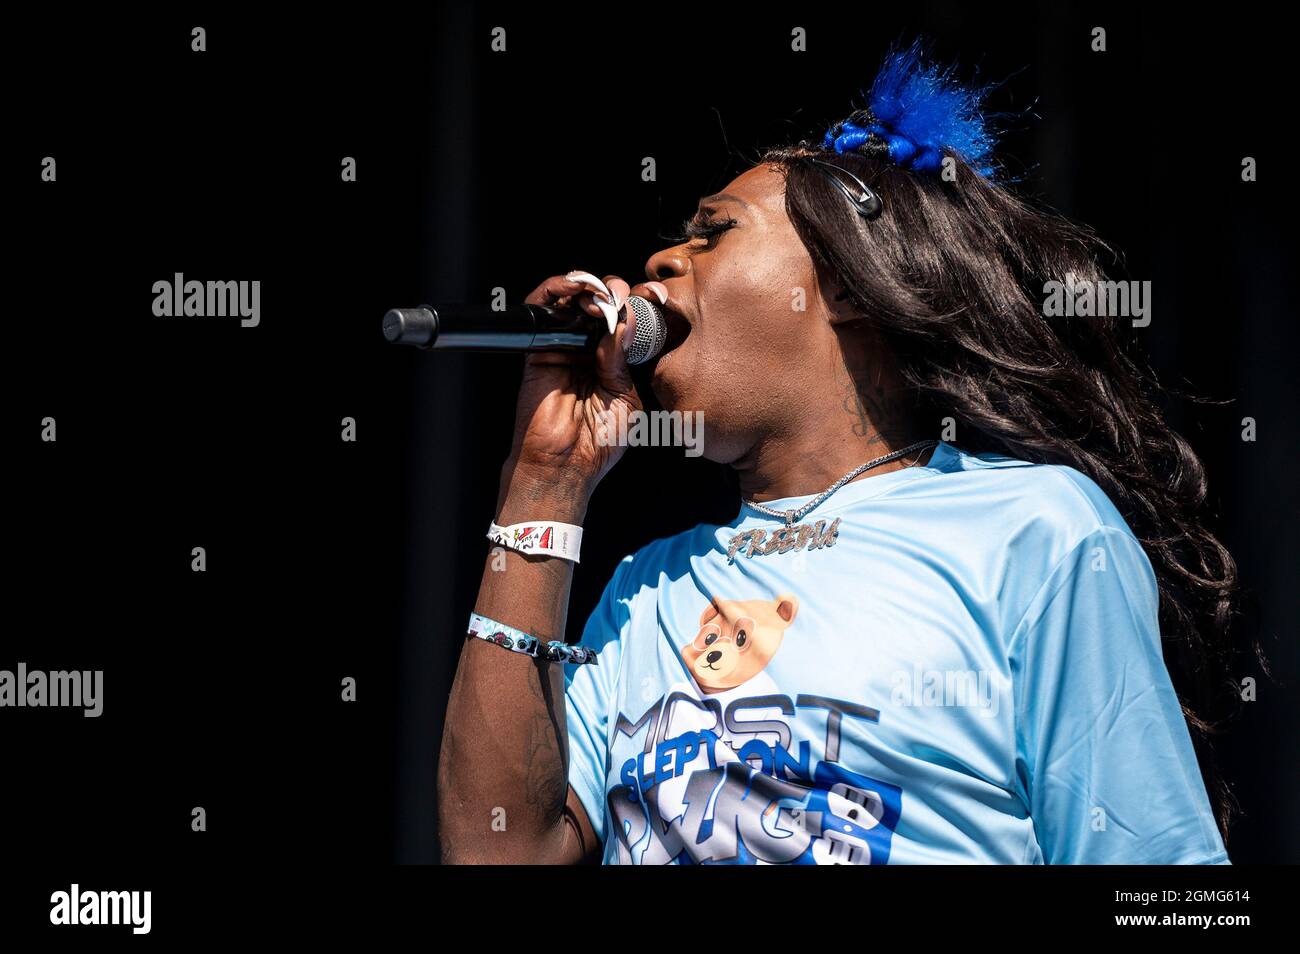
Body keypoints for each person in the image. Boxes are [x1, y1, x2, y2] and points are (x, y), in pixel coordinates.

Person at [437, 42, 1242, 864]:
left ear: (851, 286)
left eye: (712, 232)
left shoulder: (1034, 533)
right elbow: (494, 852)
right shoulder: (644, 589)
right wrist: (542, 485)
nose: (660, 261)